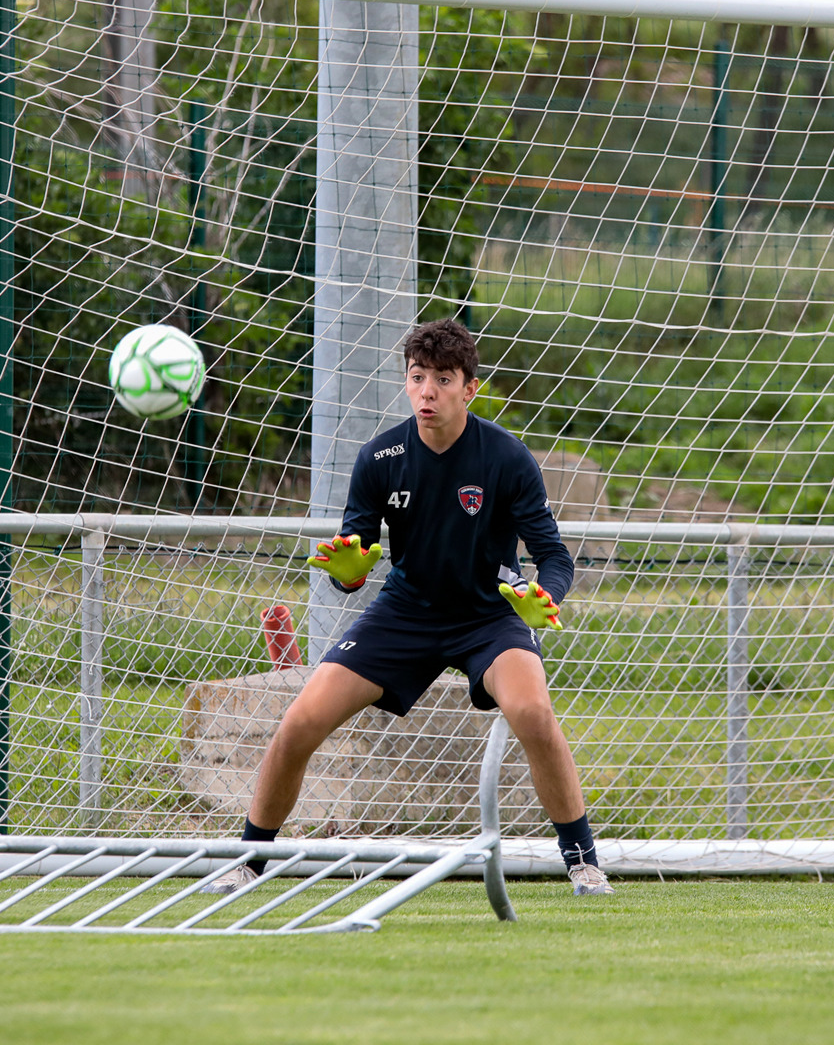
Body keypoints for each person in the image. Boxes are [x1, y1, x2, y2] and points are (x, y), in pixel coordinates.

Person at [206, 318, 613, 896]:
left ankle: (582, 860)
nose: (428, 391)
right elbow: (355, 555)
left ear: (469, 389)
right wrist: (349, 578)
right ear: (406, 381)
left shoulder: (506, 458)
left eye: (443, 380)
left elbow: (555, 558)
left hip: (489, 616)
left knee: (532, 713)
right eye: (418, 377)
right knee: (300, 721)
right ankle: (250, 861)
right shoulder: (380, 459)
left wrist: (543, 597)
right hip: (405, 612)